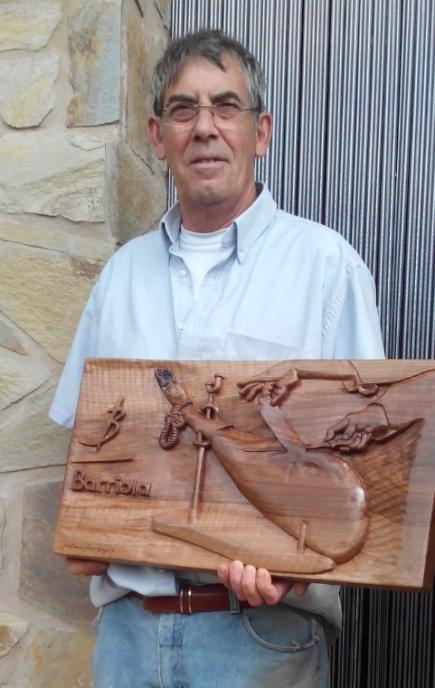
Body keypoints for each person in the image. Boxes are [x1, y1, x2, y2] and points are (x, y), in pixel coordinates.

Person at [50, 29, 385, 688]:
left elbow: (371, 465)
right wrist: (87, 533)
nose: (204, 127)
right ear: (157, 136)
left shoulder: (326, 267)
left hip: (261, 639)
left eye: (225, 106)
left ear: (260, 132)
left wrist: (296, 566)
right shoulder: (120, 277)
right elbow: (86, 449)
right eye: (184, 110)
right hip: (126, 637)